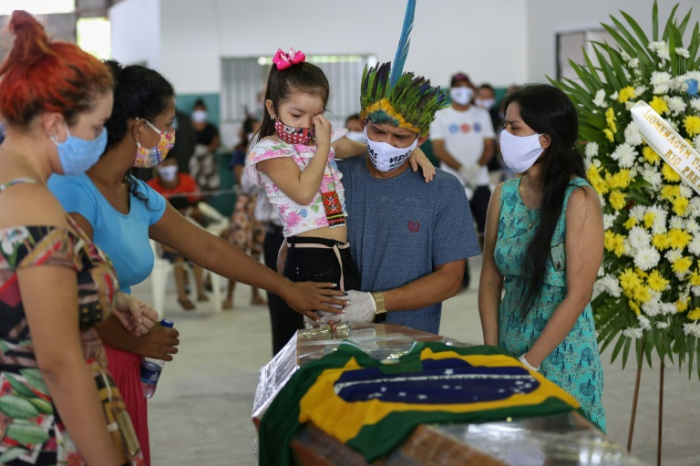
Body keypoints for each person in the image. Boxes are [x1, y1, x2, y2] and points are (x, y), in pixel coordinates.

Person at [49, 61, 347, 465]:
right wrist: (133, 340)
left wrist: (285, 289)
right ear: (138, 128)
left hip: (121, 360)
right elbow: (59, 298)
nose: (171, 137)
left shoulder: (134, 191)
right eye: (167, 124)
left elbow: (207, 248)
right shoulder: (72, 191)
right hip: (80, 360)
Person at [0, 10, 157, 465]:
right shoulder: (33, 205)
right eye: (95, 128)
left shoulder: (15, 184)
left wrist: (108, 296)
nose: (98, 141)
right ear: (54, 125)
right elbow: (59, 363)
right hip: (41, 430)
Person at [246, 48, 435, 352]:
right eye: (296, 115)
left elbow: (366, 150)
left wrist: (408, 148)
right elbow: (303, 192)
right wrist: (323, 145)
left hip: (339, 251)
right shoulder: (269, 150)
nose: (306, 124)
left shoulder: (320, 140)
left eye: (316, 115)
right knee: (328, 343)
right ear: (272, 108)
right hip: (312, 255)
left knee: (344, 338)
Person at [478, 84, 606, 430]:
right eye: (505, 125)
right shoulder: (502, 196)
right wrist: (493, 353)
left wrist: (530, 363)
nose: (505, 134)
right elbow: (490, 280)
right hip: (509, 343)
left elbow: (579, 295)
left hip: (561, 352)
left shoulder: (578, 200)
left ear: (544, 140)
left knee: (562, 448)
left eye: (514, 128)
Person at [322, 61, 481, 335]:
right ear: (363, 123)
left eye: (401, 137)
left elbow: (450, 279)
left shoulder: (442, 189)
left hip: (411, 341)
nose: (387, 144)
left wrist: (375, 303)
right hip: (335, 333)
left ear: (421, 139)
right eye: (378, 132)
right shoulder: (333, 179)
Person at [147, 156, 209, 310]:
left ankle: (200, 291)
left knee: (196, 256)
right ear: (157, 168)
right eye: (164, 164)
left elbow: (200, 208)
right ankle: (182, 296)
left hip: (186, 239)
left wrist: (189, 212)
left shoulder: (187, 181)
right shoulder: (150, 188)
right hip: (168, 242)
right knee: (178, 258)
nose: (168, 167)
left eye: (171, 163)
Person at [225, 116, 266, 309]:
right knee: (238, 249)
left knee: (257, 249)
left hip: (262, 203)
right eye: (256, 129)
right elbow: (243, 182)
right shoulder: (241, 152)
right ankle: (229, 296)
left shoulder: (268, 149)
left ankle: (255, 294)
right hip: (245, 203)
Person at [476, 83, 505, 185]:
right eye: (482, 96)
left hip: (493, 168)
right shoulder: (468, 117)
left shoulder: (499, 118)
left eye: (488, 97)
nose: (485, 100)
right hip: (472, 167)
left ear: (493, 98)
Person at [190, 98, 221, 192]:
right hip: (192, 160)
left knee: (207, 185)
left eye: (201, 110)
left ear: (205, 112)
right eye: (197, 110)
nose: (199, 113)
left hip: (208, 159)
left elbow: (216, 142)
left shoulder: (211, 128)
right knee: (194, 185)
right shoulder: (188, 127)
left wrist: (206, 150)